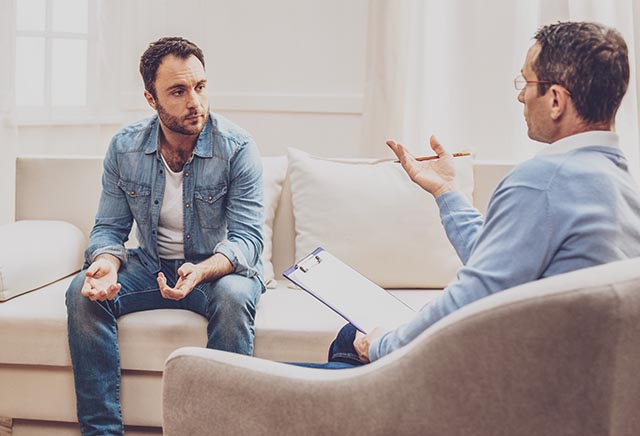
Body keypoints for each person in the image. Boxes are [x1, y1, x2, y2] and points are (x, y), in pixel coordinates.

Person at [301, 21, 640, 369]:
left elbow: (471, 300)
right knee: (349, 341)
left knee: (330, 358)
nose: (521, 95)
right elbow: (500, 267)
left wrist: (382, 346)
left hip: (505, 388)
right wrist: (446, 190)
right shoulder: (618, 184)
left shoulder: (544, 181)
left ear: (555, 100)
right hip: (577, 383)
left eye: (527, 82)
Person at [65, 37, 265, 435]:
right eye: (178, 91)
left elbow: (247, 239)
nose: (195, 102)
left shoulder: (238, 147)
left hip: (217, 270)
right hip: (153, 265)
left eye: (200, 86)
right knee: (81, 293)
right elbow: (109, 228)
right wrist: (104, 265)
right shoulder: (125, 148)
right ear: (150, 98)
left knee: (236, 297)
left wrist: (203, 271)